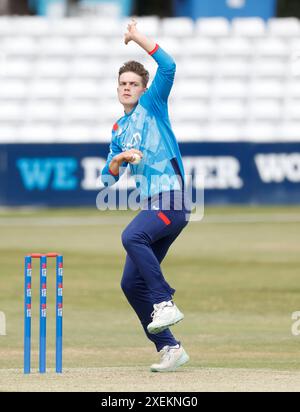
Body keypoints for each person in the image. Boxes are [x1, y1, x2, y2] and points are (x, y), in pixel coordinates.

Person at [101, 19, 190, 372]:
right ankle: (170, 348)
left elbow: (169, 65)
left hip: (174, 199)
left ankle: (164, 300)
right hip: (154, 205)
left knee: (131, 235)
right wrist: (119, 159)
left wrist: (137, 37)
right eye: (122, 83)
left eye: (133, 84)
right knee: (129, 283)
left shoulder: (153, 105)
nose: (127, 88)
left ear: (143, 88)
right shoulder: (118, 129)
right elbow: (107, 180)